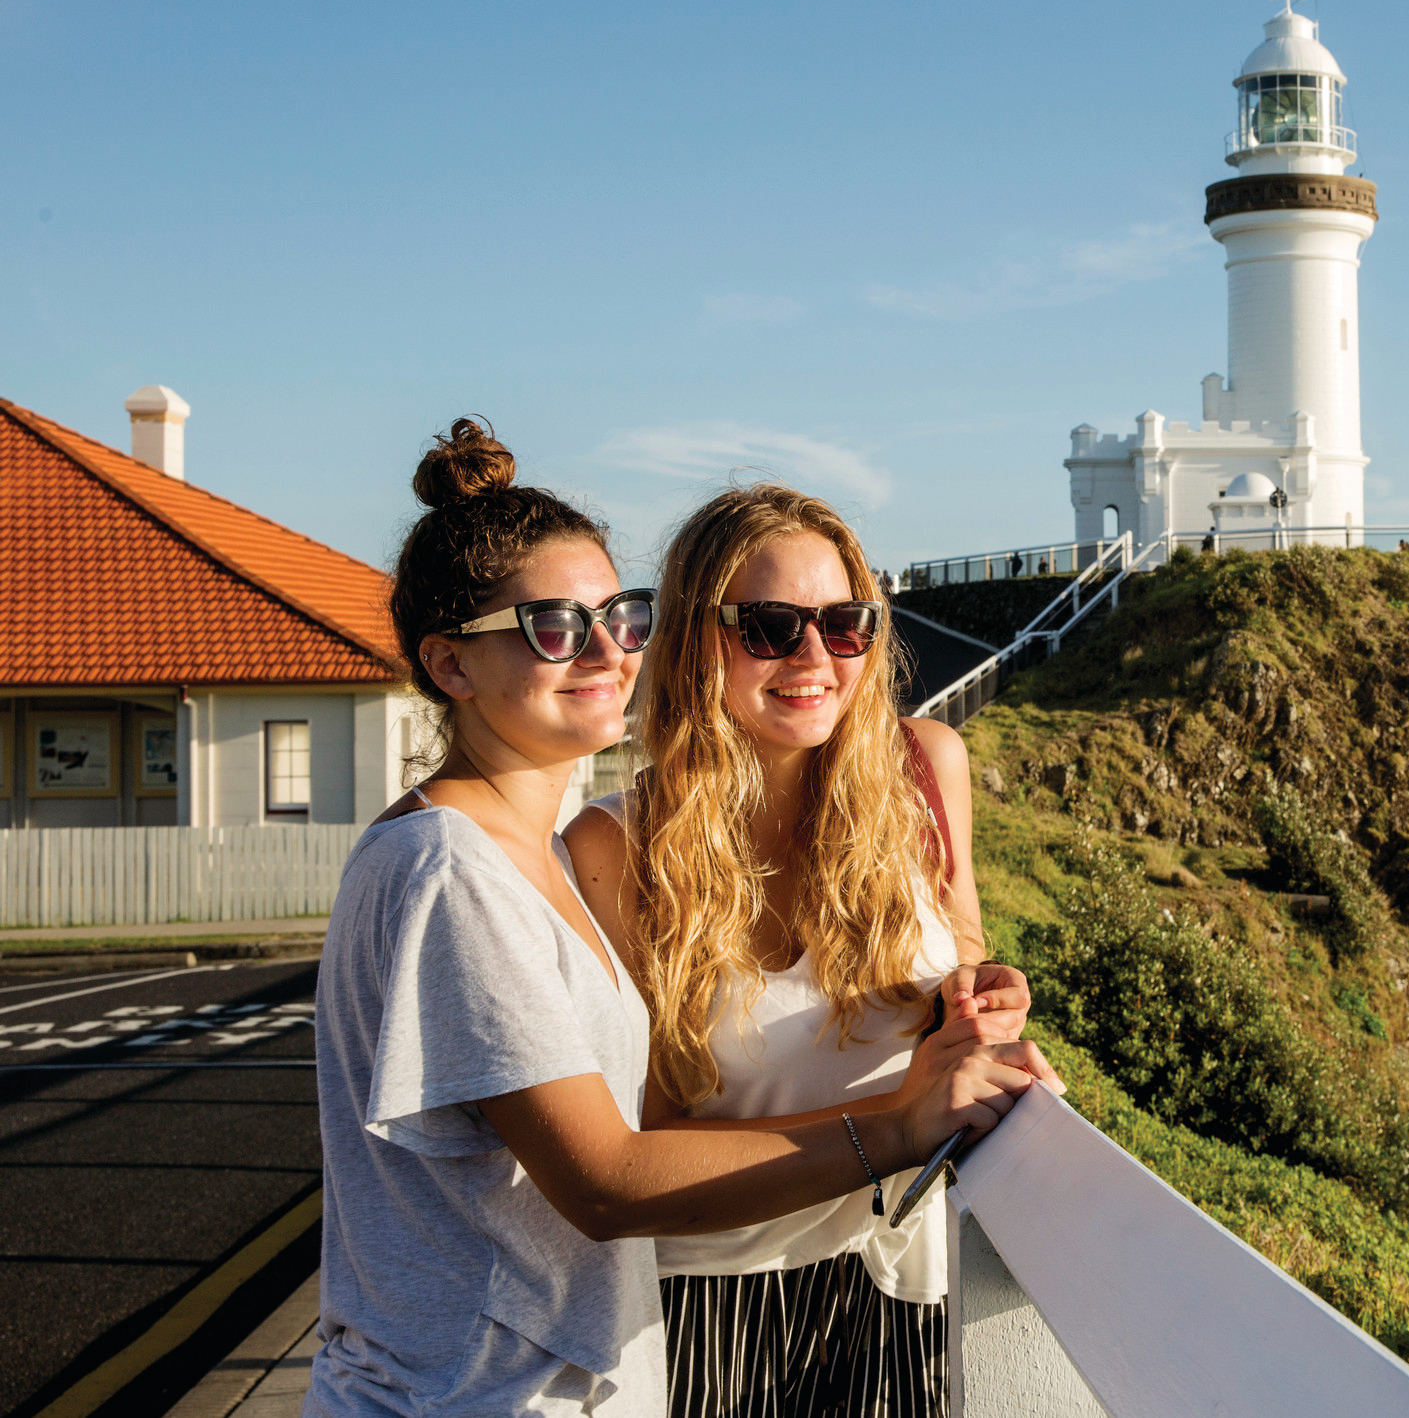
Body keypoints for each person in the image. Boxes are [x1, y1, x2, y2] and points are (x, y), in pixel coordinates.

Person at [308, 425, 1050, 1418]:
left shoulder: (517, 856)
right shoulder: (466, 866)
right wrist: (902, 1121)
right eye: (552, 629)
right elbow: (611, 1175)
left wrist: (967, 1004)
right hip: (502, 1379)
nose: (609, 651)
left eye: (618, 618)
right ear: (450, 667)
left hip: (611, 1357)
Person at [564, 485, 1033, 1418]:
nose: (815, 657)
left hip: (901, 1276)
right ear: (699, 638)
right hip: (711, 1306)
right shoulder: (613, 852)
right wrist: (896, 1119)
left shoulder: (927, 773)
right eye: (772, 627)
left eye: (845, 623)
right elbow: (638, 1147)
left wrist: (981, 999)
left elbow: (961, 944)